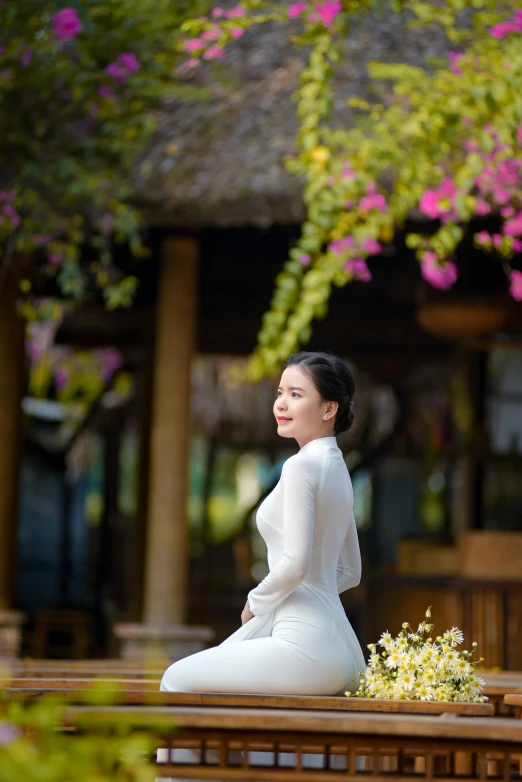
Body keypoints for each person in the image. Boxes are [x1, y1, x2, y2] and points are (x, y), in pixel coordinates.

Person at [160, 351, 366, 696]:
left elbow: (296, 564)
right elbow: (350, 572)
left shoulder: (300, 467)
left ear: (329, 409)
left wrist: (256, 603)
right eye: (280, 393)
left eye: (296, 395)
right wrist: (312, 596)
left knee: (175, 681)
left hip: (305, 646)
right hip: (338, 647)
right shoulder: (338, 469)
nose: (281, 404)